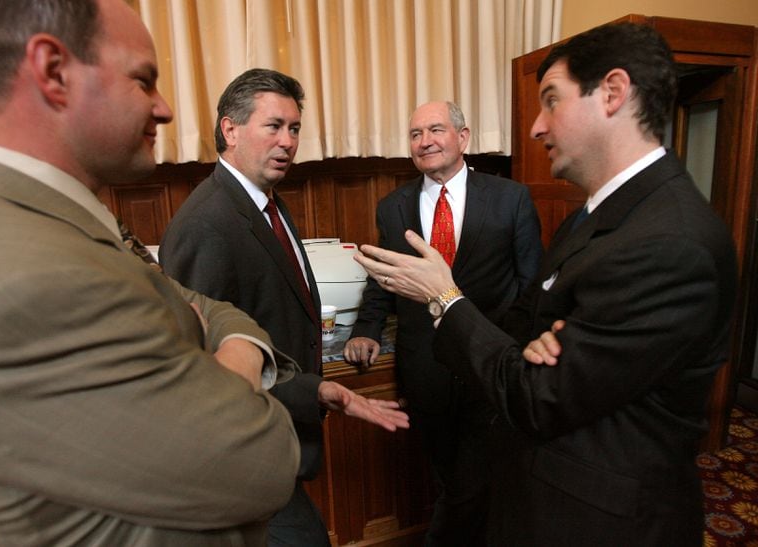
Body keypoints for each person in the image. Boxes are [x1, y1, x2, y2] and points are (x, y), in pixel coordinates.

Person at [354, 22, 737, 546]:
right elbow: (530, 319)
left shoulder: (670, 242)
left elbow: (542, 395)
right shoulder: (594, 216)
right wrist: (531, 344)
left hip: (601, 521)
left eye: (551, 101)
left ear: (613, 94)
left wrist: (444, 296)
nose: (535, 127)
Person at [0, 1, 304, 545]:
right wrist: (239, 362)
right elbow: (260, 459)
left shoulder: (64, 219)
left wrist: (218, 339)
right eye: (143, 80)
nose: (164, 109)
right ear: (52, 71)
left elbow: (209, 307)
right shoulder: (19, 273)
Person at [159, 68, 409, 546]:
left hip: (279, 441)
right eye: (273, 126)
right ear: (230, 130)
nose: (288, 141)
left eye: (294, 128)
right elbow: (205, 367)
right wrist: (313, 391)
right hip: (244, 456)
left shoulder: (264, 200)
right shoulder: (206, 224)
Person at [343, 101, 542, 545]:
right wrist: (364, 329)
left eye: (435, 129)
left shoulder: (511, 198)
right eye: (415, 134)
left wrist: (523, 349)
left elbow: (531, 284)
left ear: (463, 137)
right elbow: (384, 278)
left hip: (491, 361)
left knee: (480, 475)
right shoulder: (393, 207)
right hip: (426, 365)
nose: (425, 141)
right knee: (447, 473)